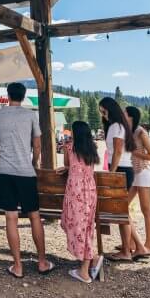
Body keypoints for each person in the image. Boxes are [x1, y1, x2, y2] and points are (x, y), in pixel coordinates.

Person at [0, 82, 54, 278]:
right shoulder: (30, 115)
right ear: (24, 95)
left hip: (4, 171)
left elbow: (1, 141)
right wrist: (34, 162)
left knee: (11, 218)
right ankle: (42, 262)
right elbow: (37, 145)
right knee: (34, 216)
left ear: (8, 95)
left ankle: (18, 266)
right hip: (25, 172)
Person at [98, 96, 148, 262]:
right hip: (125, 169)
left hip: (120, 170)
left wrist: (111, 173)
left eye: (102, 110)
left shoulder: (115, 126)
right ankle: (138, 247)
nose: (101, 114)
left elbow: (118, 151)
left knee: (120, 212)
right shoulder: (121, 126)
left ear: (108, 109)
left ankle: (127, 251)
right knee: (122, 211)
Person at [56, 120, 100, 283]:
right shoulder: (92, 148)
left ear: (75, 133)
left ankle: (84, 270)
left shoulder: (70, 147)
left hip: (75, 191)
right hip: (90, 190)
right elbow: (83, 165)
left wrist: (68, 169)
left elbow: (69, 164)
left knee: (76, 226)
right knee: (86, 226)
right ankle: (92, 258)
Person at [125, 105, 150, 256]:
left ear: (131, 116)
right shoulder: (128, 132)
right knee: (122, 206)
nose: (122, 115)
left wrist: (137, 153)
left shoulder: (140, 132)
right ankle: (131, 242)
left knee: (146, 210)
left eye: (124, 113)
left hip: (144, 172)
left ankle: (148, 246)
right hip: (134, 174)